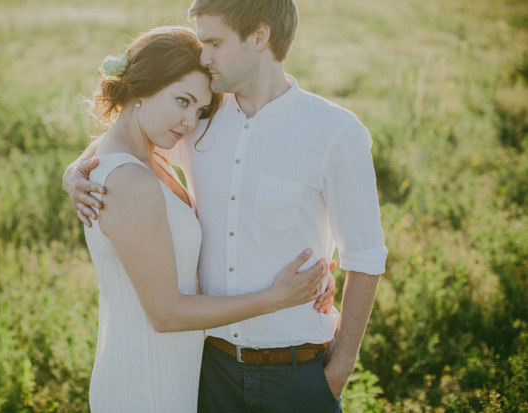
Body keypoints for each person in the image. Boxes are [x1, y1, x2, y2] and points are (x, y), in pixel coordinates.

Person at [66, 0, 388, 410]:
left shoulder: (334, 132)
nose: (204, 56)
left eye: (214, 42)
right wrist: (75, 171)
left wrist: (337, 373)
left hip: (297, 372)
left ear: (259, 36)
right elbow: (125, 141)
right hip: (207, 372)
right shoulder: (200, 120)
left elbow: (365, 257)